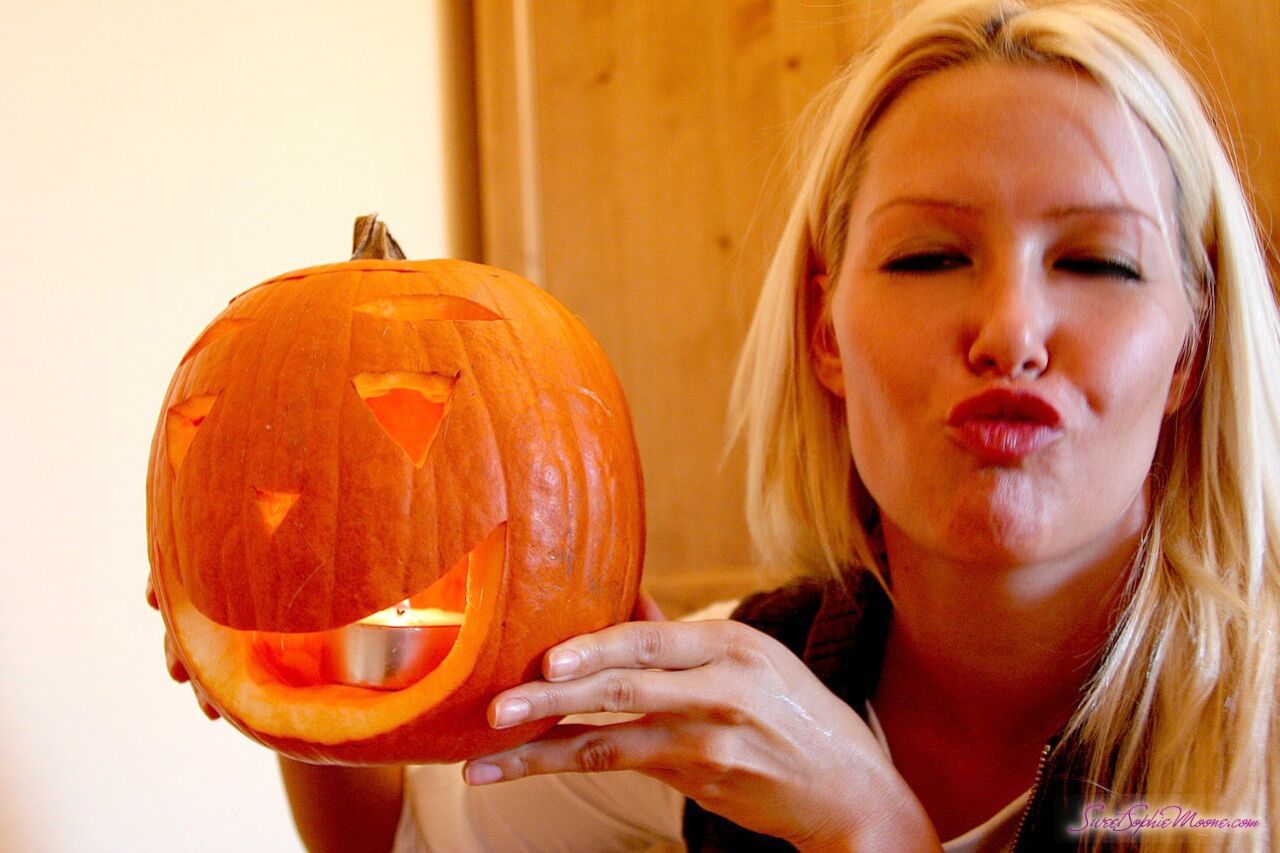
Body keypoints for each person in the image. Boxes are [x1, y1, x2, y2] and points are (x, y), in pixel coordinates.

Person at [153, 0, 1280, 848]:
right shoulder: (719, 700)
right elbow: (400, 835)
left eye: (1097, 262)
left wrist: (869, 825)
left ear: (1189, 350)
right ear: (824, 328)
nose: (1010, 332)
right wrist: (320, 665)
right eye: (930, 256)